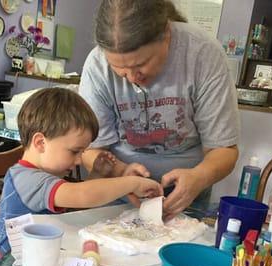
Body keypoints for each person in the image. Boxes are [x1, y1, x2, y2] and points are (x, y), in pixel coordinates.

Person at [79, 0, 240, 220]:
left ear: (166, 33)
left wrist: (199, 177)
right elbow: (89, 150)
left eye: (141, 64)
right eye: (121, 70)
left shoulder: (202, 54)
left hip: (186, 194)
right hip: (117, 188)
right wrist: (122, 173)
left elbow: (224, 150)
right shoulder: (97, 66)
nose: (133, 78)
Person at [0, 87, 162, 260]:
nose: (80, 160)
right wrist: (132, 183)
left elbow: (75, 205)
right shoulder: (27, 178)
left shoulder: (42, 174)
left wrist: (96, 174)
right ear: (40, 143)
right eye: (75, 151)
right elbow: (82, 195)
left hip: (41, 256)